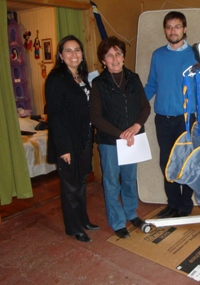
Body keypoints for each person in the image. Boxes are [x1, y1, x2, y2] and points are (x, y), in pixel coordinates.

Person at [144, 11, 200, 218]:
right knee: (167, 163)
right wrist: (134, 105)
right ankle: (172, 203)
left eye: (177, 26)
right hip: (163, 119)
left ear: (185, 29)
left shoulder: (196, 56)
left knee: (187, 162)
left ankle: (185, 204)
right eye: (169, 27)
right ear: (165, 30)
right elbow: (152, 84)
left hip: (187, 119)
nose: (173, 31)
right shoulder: (158, 55)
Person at [90, 36, 151, 239]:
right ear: (103, 60)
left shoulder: (133, 78)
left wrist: (135, 127)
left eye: (118, 54)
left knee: (129, 179)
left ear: (123, 57)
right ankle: (117, 222)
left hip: (133, 140)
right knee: (111, 183)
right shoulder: (99, 84)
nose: (114, 59)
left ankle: (131, 213)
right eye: (109, 55)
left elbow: (145, 106)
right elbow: (95, 117)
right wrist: (121, 134)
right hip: (110, 143)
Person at [46, 35, 99, 243]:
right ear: (61, 55)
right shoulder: (56, 78)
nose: (73, 54)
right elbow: (56, 116)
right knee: (69, 185)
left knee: (81, 180)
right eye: (68, 50)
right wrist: (63, 148)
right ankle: (73, 227)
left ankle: (83, 219)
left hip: (84, 137)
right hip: (67, 141)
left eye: (77, 50)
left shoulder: (83, 77)